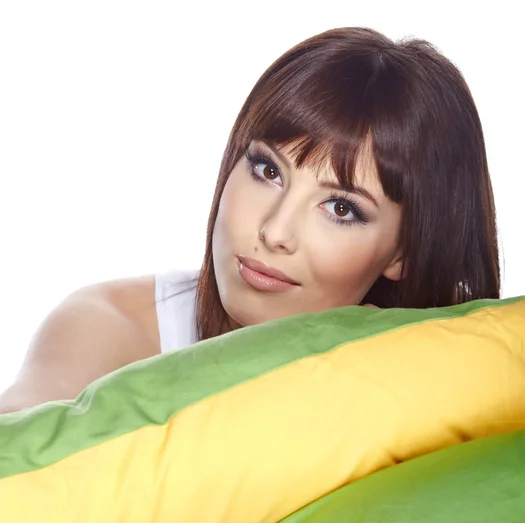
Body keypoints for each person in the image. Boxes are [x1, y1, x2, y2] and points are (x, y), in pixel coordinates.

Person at [0, 26, 500, 414]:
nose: (275, 232)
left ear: (404, 253)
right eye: (267, 170)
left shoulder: (445, 373)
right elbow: (23, 446)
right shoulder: (113, 325)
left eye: (341, 208)